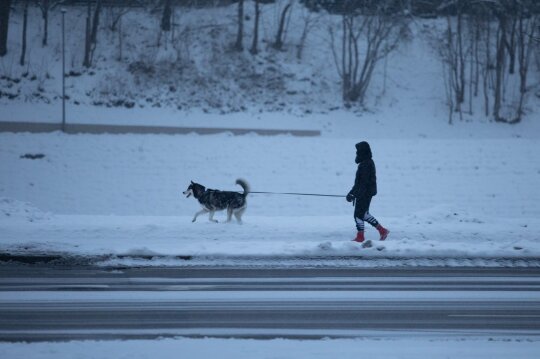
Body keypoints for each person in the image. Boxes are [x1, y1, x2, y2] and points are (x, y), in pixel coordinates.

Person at [346, 141, 389, 243]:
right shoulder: (367, 162)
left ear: (362, 152)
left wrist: (354, 194)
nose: (356, 153)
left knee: (358, 215)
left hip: (364, 193)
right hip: (366, 192)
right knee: (364, 214)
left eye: (358, 151)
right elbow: (360, 183)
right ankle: (382, 231)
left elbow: (363, 183)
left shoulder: (366, 164)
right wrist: (352, 192)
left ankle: (360, 237)